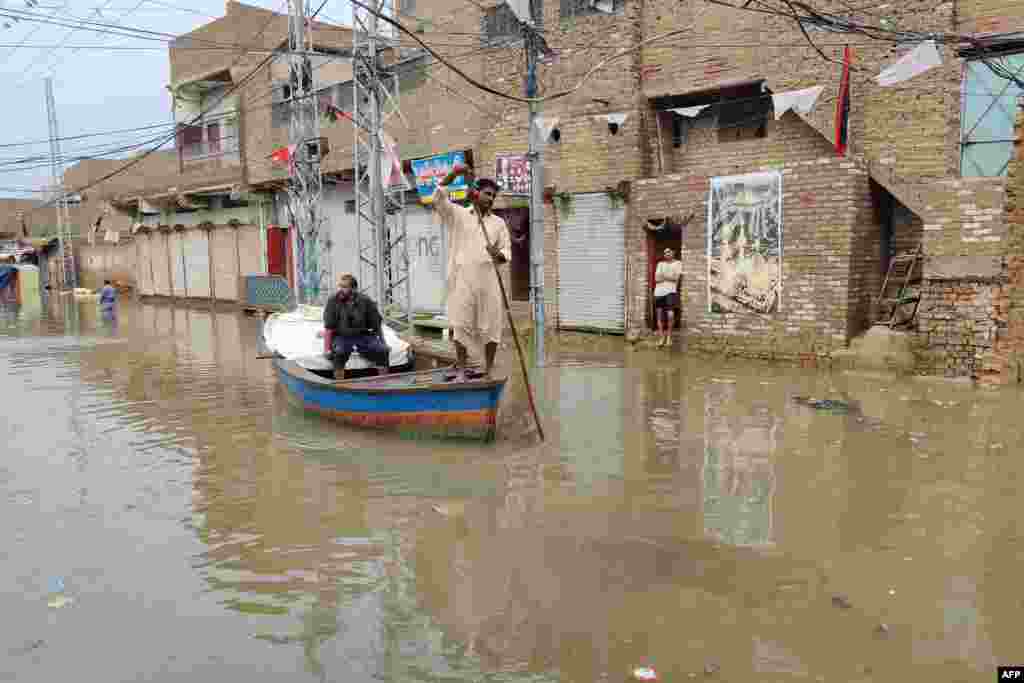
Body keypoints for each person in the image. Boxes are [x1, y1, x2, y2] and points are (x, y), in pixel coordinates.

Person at [433, 163, 511, 380]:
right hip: (462, 278)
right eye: (487, 194)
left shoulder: (498, 223)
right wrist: (453, 175)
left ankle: (488, 368)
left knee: (492, 325)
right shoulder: (458, 214)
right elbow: (438, 198)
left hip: (488, 280)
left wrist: (497, 254)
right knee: (460, 323)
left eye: (493, 196)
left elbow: (506, 252)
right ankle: (460, 366)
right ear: (475, 194)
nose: (491, 199)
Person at [322, 274, 391, 378]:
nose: (341, 289)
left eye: (344, 287)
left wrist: (383, 342)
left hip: (362, 335)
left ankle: (384, 381)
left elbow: (376, 324)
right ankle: (340, 385)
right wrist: (326, 349)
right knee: (340, 352)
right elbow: (328, 327)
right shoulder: (333, 300)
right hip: (342, 335)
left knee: (382, 351)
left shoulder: (365, 300)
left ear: (354, 288)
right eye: (340, 286)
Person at [653, 247, 683, 348]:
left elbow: (676, 278)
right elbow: (656, 279)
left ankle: (669, 336)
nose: (667, 254)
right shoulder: (660, 264)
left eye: (669, 252)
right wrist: (669, 276)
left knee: (670, 315)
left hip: (670, 292)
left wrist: (664, 276)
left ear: (673, 253)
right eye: (665, 252)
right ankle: (662, 337)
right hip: (658, 292)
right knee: (659, 316)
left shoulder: (678, 263)